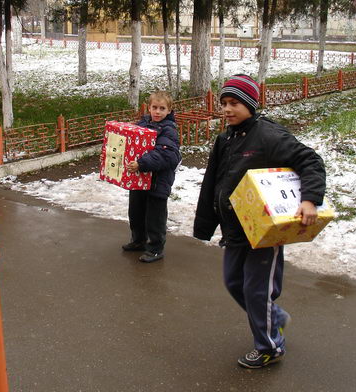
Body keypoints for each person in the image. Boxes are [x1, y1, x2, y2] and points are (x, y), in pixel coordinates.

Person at [193, 74, 326, 369]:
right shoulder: (225, 138)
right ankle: (274, 318)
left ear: (251, 104)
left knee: (256, 290)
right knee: (233, 282)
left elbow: (310, 161)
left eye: (235, 103)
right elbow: (212, 182)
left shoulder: (268, 136)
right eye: (224, 103)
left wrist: (309, 200)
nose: (227, 109)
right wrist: (205, 224)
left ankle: (270, 346)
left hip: (265, 232)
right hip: (236, 228)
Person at [122, 91, 181, 263]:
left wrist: (141, 163)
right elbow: (132, 142)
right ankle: (138, 240)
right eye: (154, 107)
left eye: (162, 108)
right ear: (149, 108)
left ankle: (155, 248)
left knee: (155, 217)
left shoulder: (169, 130)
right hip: (139, 179)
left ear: (169, 110)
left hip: (158, 182)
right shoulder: (143, 124)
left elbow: (167, 154)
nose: (157, 111)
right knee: (136, 212)